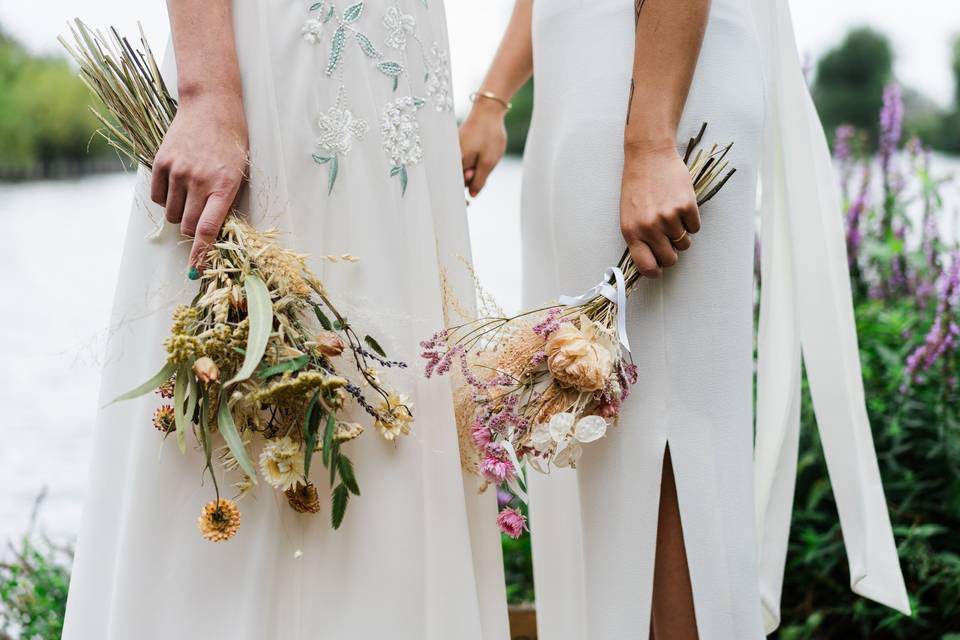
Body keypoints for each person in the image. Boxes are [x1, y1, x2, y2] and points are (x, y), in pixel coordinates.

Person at [460, 0, 911, 637]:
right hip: (579, 83)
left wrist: (649, 139)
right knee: (591, 437)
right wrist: (493, 98)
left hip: (655, 76)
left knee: (670, 442)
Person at [61, 1, 508, 638]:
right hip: (271, 68)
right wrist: (205, 89)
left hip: (402, 75)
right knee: (228, 382)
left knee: (401, 403)